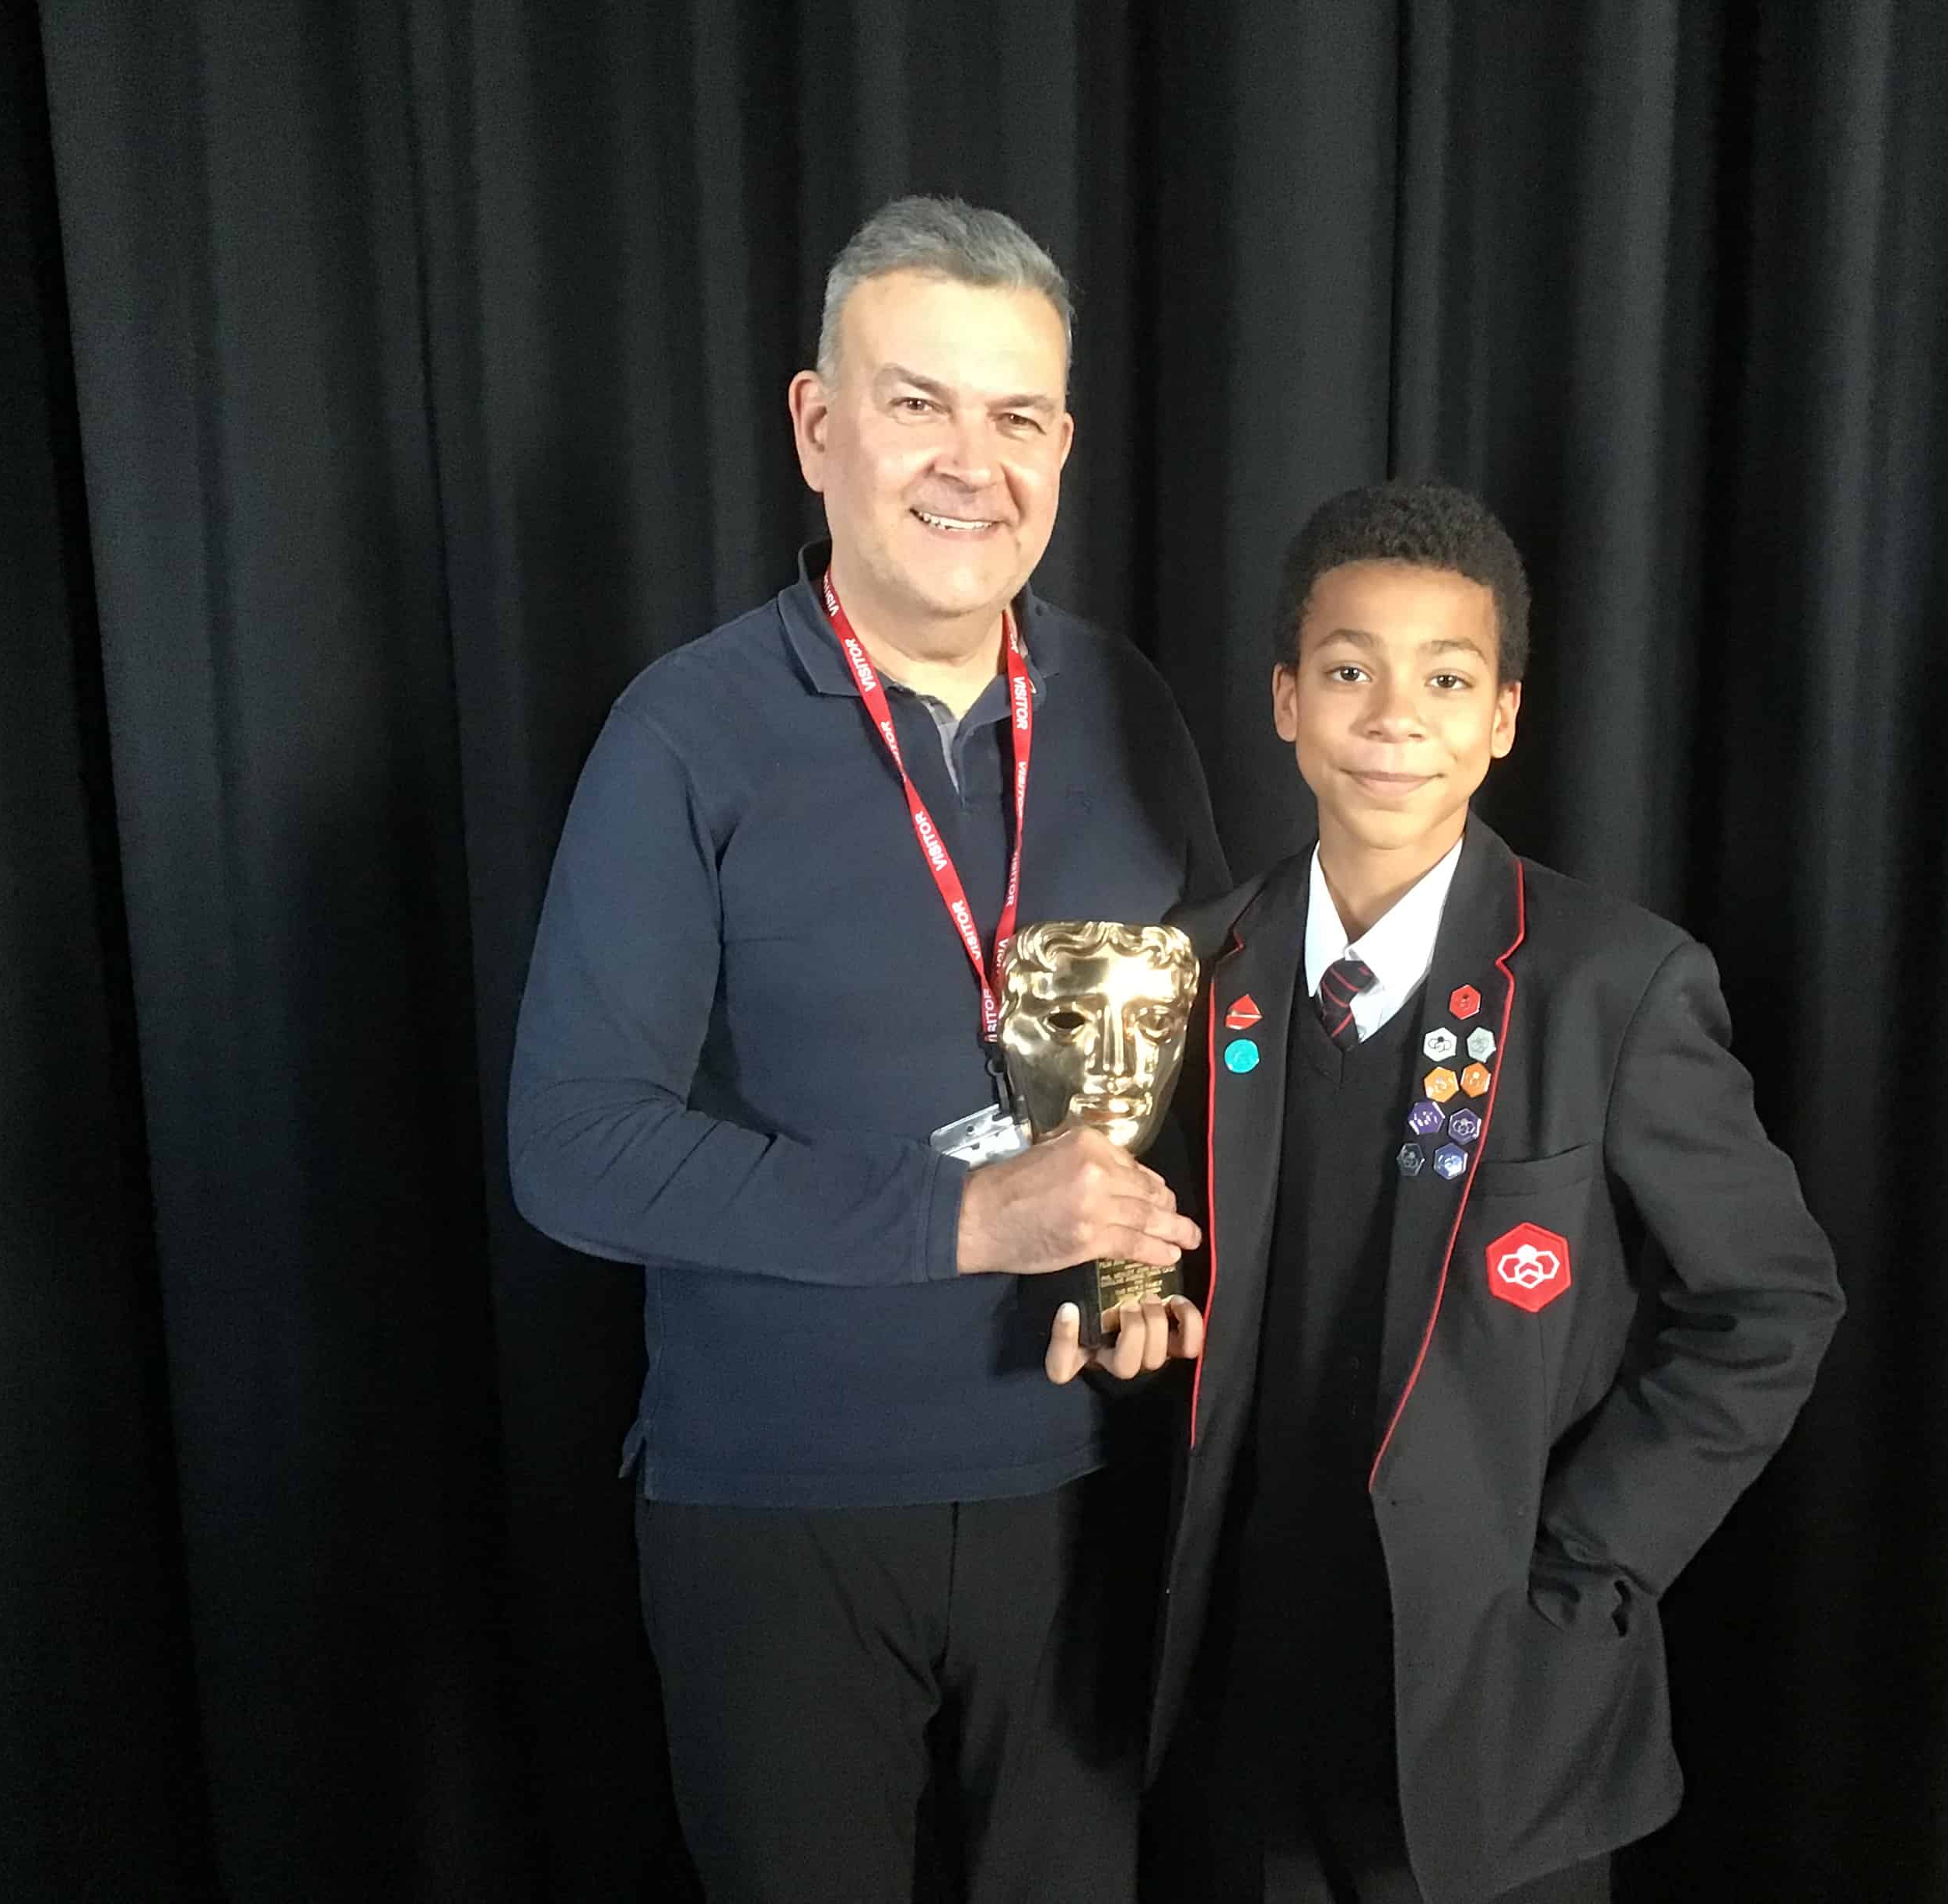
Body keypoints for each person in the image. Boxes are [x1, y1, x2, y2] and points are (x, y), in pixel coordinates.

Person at [509, 195, 1222, 1904]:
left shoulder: (1129, 709)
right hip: (782, 1520)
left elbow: (1204, 1067)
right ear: (818, 428)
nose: (970, 462)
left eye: (1017, 415)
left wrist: (1156, 1277)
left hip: (1087, 1508)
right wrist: (961, 1221)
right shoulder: (687, 731)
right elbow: (577, 1146)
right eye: (918, 404)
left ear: (1061, 450)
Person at [1114, 481, 1844, 1902]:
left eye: (1446, 678)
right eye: (1348, 671)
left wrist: (1585, 1561)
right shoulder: (1190, 972)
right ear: (1284, 700)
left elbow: (1770, 1304)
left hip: (1498, 1697)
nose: (1396, 716)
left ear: (1504, 714)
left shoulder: (1612, 984)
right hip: (1243, 1693)